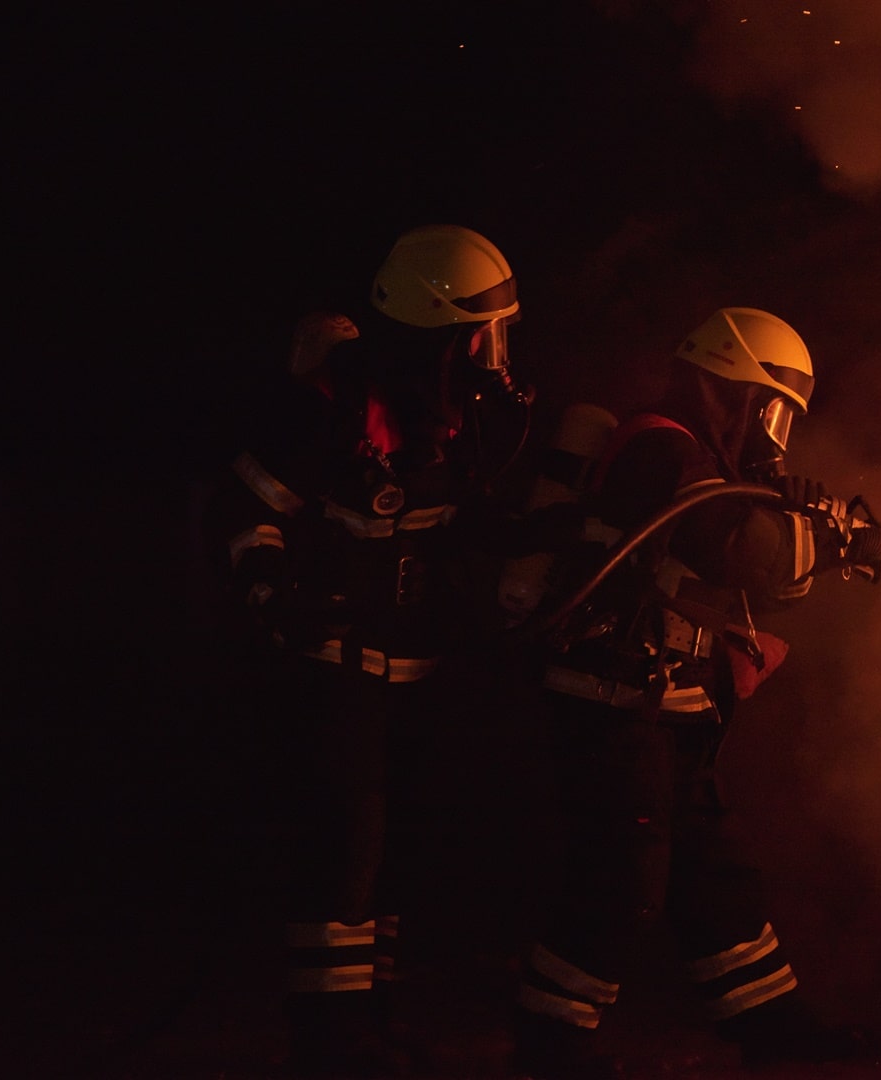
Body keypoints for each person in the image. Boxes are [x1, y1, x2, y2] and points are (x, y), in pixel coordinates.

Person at [511, 307, 881, 1078]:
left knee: (715, 868)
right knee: (621, 880)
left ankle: (766, 1019)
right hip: (611, 700)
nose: (774, 436)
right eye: (772, 412)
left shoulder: (699, 462)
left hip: (667, 702)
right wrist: (836, 537)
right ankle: (550, 1040)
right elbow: (751, 556)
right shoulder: (662, 450)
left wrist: (815, 528)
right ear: (736, 395)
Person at [213, 224, 531, 1075]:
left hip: (421, 675)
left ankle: (371, 1013)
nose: (494, 357)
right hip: (341, 670)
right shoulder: (334, 409)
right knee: (345, 850)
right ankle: (327, 1035)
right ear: (438, 332)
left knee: (402, 850)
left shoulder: (457, 421)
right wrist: (271, 589)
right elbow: (250, 515)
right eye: (482, 336)